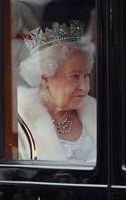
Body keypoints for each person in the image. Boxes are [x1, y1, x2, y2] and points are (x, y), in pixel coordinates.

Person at [17, 20, 97, 163]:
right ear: (45, 77)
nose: (84, 87)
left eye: (86, 76)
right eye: (74, 76)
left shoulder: (94, 111)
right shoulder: (20, 121)